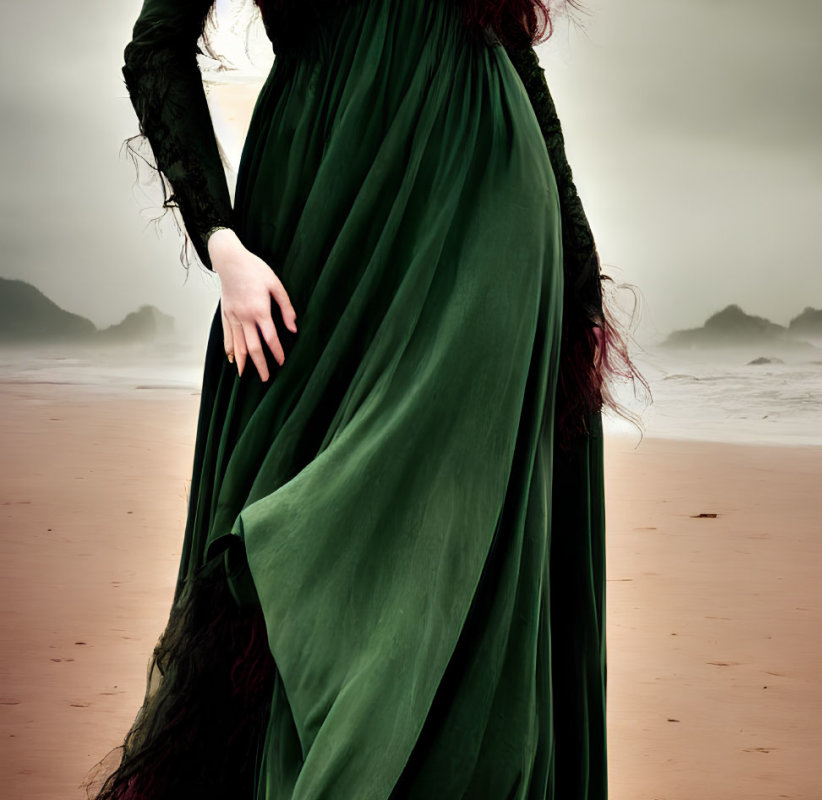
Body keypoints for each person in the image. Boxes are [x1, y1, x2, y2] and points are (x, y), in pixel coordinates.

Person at [91, 1, 642, 798]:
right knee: (295, 507)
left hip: (487, 206)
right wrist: (222, 242)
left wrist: (580, 280)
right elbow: (155, 47)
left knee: (450, 516)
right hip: (322, 207)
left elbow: (515, 53)